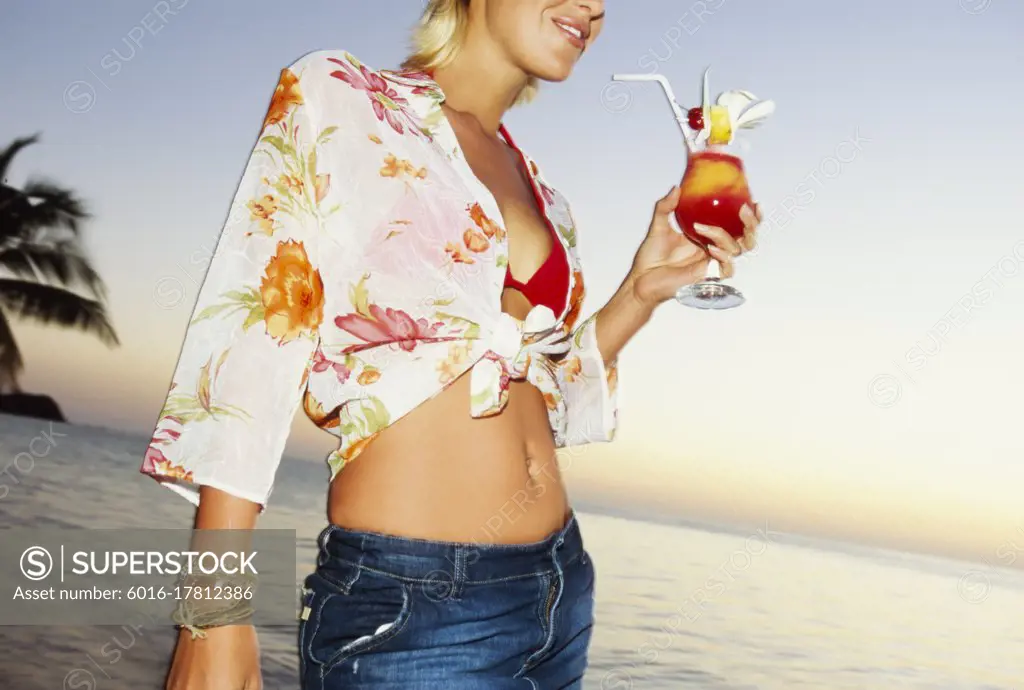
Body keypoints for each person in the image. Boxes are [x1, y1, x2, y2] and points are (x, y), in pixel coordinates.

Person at [146, 1, 761, 688]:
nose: (593, 7)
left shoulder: (545, 194)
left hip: (560, 588)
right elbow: (249, 348)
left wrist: (640, 290)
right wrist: (212, 612)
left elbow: (543, 395)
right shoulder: (343, 99)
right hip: (417, 607)